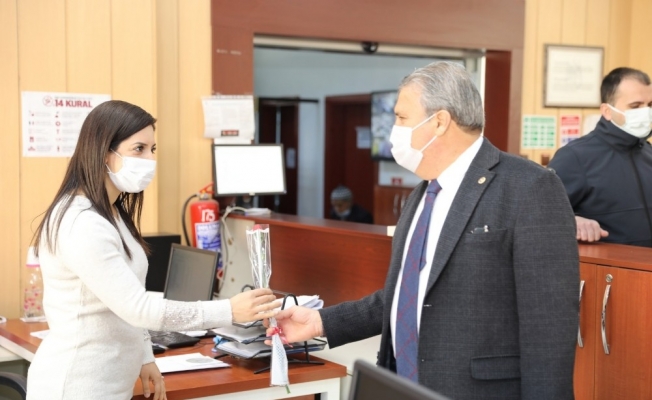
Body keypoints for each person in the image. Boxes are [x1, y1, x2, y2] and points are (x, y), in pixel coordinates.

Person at [268, 62, 579, 400]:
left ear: (440, 121)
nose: (394, 130)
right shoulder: (422, 193)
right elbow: (406, 295)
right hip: (402, 384)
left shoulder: (530, 187)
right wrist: (321, 322)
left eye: (401, 118)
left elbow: (549, 326)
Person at [27, 100, 280, 400]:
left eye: (152, 149)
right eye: (139, 149)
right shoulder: (81, 222)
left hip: (108, 382)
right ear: (103, 152)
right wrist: (227, 310)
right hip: (75, 386)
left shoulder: (110, 213)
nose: (149, 159)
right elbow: (138, 308)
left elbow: (126, 297)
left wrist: (144, 354)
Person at [548, 67, 652, 246]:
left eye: (650, 105)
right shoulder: (575, 157)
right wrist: (573, 220)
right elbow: (540, 212)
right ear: (607, 111)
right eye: (635, 106)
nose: (645, 112)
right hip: (604, 263)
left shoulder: (648, 153)